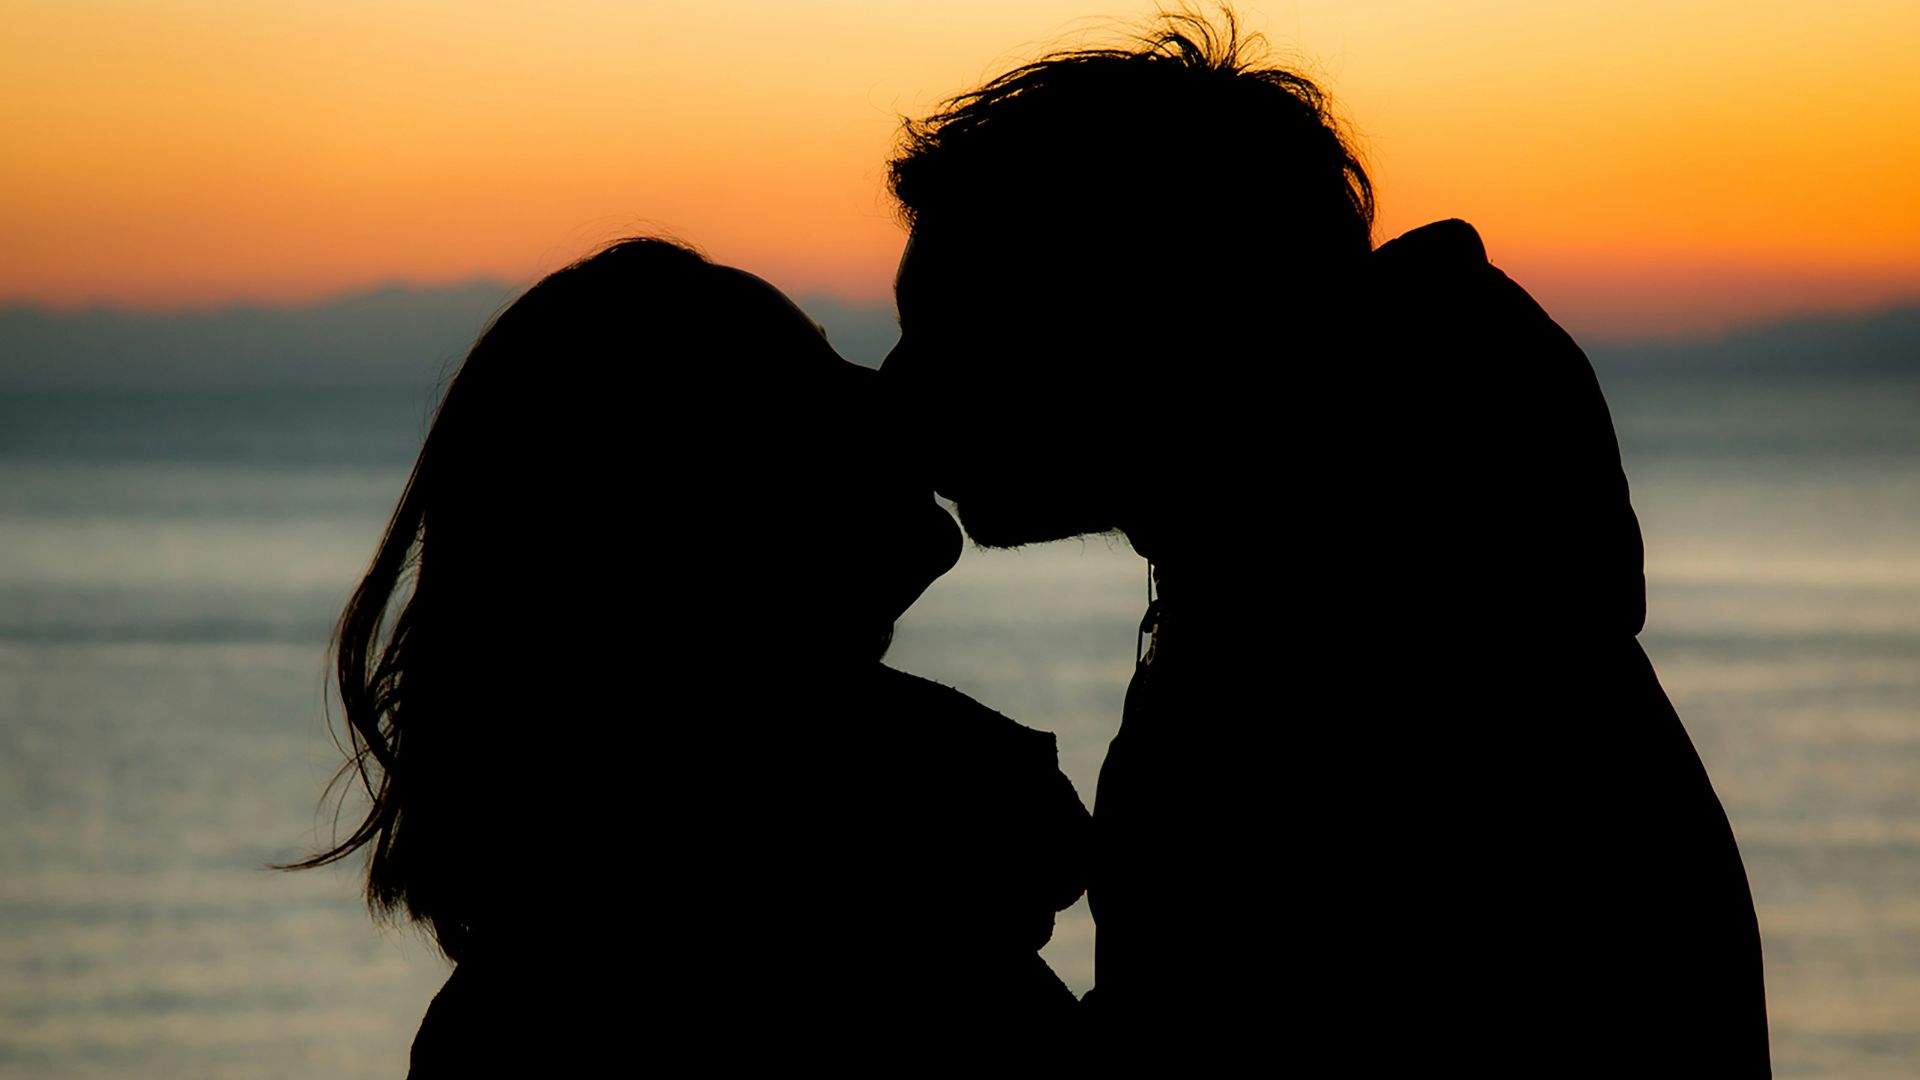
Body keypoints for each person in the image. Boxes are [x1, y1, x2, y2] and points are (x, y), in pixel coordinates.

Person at [879, 13, 1771, 1073]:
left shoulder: (1371, 658)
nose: (897, 389)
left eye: (954, 332)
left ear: (1138, 315)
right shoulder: (1367, 567)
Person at [282, 237, 1090, 1072]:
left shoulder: (904, 869)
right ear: (692, 505)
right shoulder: (857, 909)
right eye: (807, 381)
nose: (881, 386)